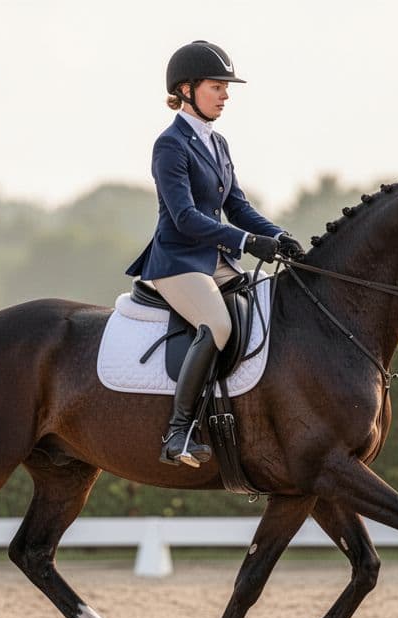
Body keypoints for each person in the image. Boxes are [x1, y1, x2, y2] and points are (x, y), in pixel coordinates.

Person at [126, 40, 305, 468]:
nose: (226, 94)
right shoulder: (169, 145)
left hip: (217, 263)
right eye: (217, 86)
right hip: (178, 262)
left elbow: (237, 206)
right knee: (218, 323)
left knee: (267, 309)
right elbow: (185, 217)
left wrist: (278, 236)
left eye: (227, 88)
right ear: (186, 90)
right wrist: (245, 242)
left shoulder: (218, 143)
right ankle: (178, 432)